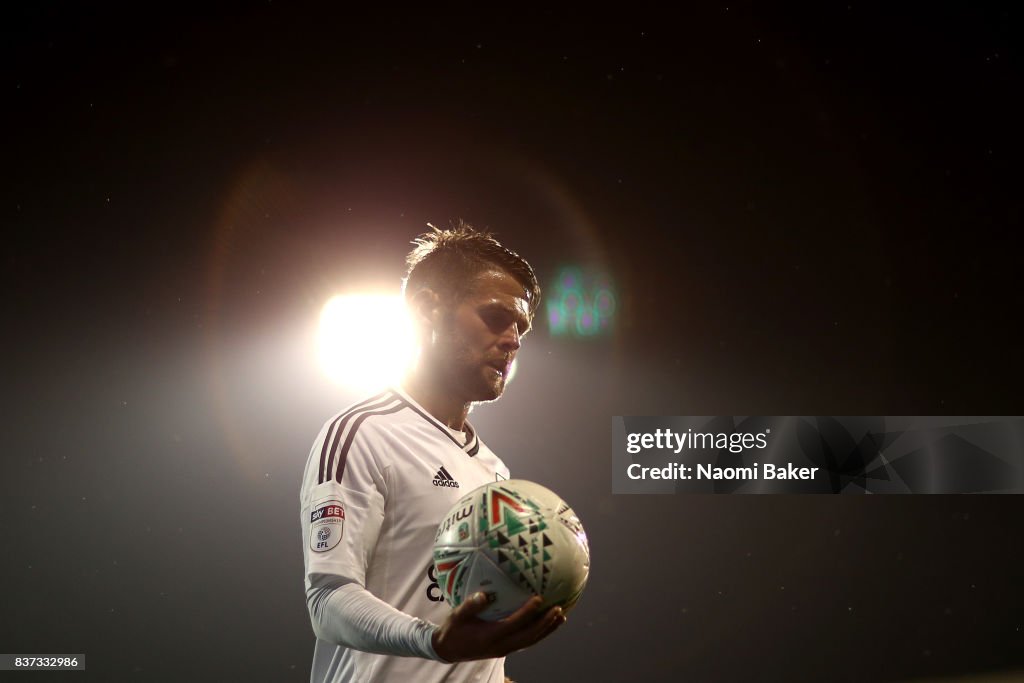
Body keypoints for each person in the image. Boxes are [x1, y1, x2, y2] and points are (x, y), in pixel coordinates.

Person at [299, 222, 565, 682]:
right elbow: (327, 601)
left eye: (520, 327)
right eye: (496, 317)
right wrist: (432, 642)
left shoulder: (493, 471)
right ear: (426, 309)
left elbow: (471, 643)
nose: (514, 340)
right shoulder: (362, 433)